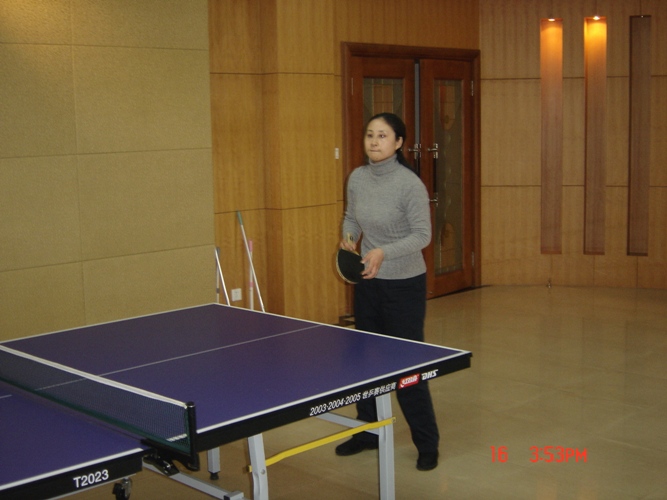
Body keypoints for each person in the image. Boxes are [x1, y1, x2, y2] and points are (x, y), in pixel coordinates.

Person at [335, 112, 440, 471]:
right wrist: (350, 240)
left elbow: (422, 235)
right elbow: (351, 218)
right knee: (366, 362)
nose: (374, 141)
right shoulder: (357, 178)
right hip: (369, 282)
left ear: (398, 143)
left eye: (383, 135)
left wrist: (384, 252)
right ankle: (368, 432)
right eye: (370, 135)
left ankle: (427, 442)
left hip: (404, 285)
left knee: (406, 367)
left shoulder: (409, 184)